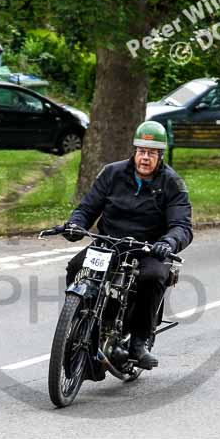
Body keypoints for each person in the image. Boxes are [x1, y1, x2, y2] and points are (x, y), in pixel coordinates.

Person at [62, 121, 193, 369]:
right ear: (134, 151)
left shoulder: (172, 183)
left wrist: (169, 242)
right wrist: (75, 225)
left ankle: (139, 342)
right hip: (109, 244)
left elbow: (182, 226)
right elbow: (87, 208)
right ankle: (79, 319)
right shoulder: (112, 173)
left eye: (151, 153)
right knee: (76, 266)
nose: (145, 158)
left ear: (160, 155)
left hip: (149, 249)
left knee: (153, 277)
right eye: (141, 151)